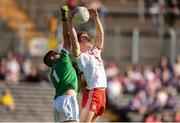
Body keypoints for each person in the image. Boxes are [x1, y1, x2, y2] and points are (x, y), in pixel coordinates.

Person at [68, 8, 107, 122]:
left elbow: (101, 35)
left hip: (102, 94)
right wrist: (70, 22)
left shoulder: (95, 52)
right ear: (80, 44)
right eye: (85, 37)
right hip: (93, 92)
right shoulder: (80, 57)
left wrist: (96, 18)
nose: (89, 38)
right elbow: (74, 40)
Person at [43, 5, 79, 122]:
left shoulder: (53, 71)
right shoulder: (62, 60)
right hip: (67, 100)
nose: (57, 52)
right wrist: (65, 19)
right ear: (52, 58)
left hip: (58, 101)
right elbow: (67, 38)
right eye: (54, 52)